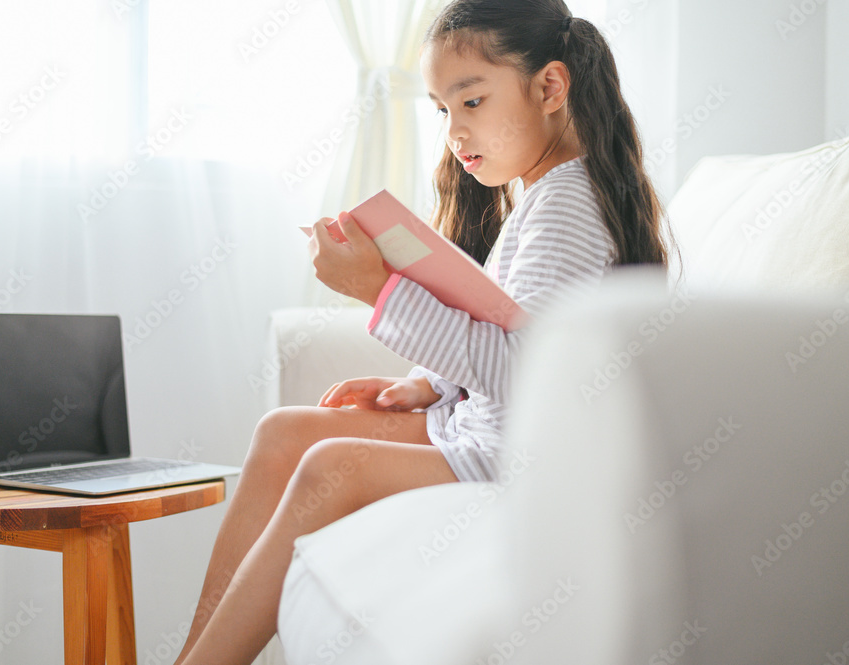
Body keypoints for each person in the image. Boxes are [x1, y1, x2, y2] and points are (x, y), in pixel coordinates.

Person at [175, 1, 672, 662]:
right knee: (282, 433)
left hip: (513, 454)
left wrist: (379, 287)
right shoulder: (547, 194)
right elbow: (507, 322)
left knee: (331, 462)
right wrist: (429, 385)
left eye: (471, 102)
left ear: (550, 87)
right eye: (442, 111)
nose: (454, 133)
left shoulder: (567, 210)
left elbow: (527, 374)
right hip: (479, 428)